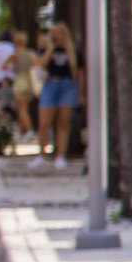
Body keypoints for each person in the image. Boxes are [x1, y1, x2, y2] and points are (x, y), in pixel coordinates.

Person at [38, 22, 80, 163]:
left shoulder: (73, 51)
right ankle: (42, 154)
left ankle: (61, 155)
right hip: (50, 83)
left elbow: (79, 72)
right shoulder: (46, 48)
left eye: (59, 33)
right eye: (54, 33)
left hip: (68, 85)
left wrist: (81, 93)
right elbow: (41, 64)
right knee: (44, 122)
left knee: (63, 122)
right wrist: (50, 47)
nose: (57, 36)